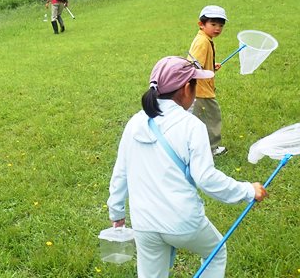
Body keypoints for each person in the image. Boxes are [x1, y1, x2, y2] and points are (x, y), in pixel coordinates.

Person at [107, 56, 267, 278]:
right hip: (183, 223)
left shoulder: (134, 122)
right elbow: (206, 178)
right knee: (216, 253)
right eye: (195, 84)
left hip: (143, 223)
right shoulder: (192, 126)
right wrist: (249, 191)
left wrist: (116, 211)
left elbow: (120, 173)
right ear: (185, 89)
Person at [188, 5, 228, 156]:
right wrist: (205, 73)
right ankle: (211, 148)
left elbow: (200, 63)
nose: (217, 28)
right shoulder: (203, 42)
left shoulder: (205, 38)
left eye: (220, 25)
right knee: (212, 117)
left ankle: (194, 147)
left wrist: (210, 67)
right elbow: (193, 65)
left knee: (196, 118)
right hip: (201, 90)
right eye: (213, 24)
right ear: (201, 24)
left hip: (199, 89)